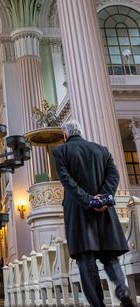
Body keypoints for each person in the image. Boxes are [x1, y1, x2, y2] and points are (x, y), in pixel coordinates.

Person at [53, 120, 134, 307]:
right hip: (104, 211)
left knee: (85, 258)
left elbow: (67, 181)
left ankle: (98, 304)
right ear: (79, 132)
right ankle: (122, 291)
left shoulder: (61, 151)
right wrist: (102, 199)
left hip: (79, 212)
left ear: (65, 134)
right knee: (109, 256)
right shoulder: (101, 150)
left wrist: (89, 200)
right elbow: (114, 176)